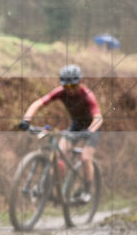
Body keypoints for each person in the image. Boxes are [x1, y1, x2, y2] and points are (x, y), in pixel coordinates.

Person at [19, 64, 102, 202]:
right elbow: (38, 103)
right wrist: (26, 120)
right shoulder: (60, 92)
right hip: (76, 125)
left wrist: (90, 131)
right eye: (66, 87)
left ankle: (87, 191)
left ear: (80, 83)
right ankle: (57, 189)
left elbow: (99, 117)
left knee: (85, 158)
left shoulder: (87, 95)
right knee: (58, 155)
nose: (69, 90)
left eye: (73, 86)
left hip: (92, 127)